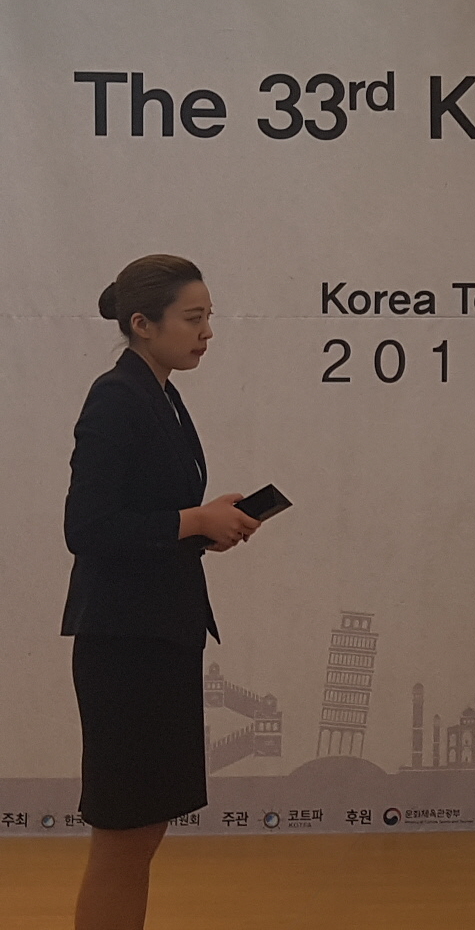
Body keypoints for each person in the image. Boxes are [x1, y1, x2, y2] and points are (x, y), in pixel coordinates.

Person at [63, 255, 260, 930]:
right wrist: (192, 521)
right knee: (123, 836)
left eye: (210, 318)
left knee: (142, 833)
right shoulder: (117, 397)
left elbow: (142, 519)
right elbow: (88, 528)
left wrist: (205, 526)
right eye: (193, 318)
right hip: (126, 645)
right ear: (142, 323)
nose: (207, 333)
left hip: (158, 635)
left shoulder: (161, 394)